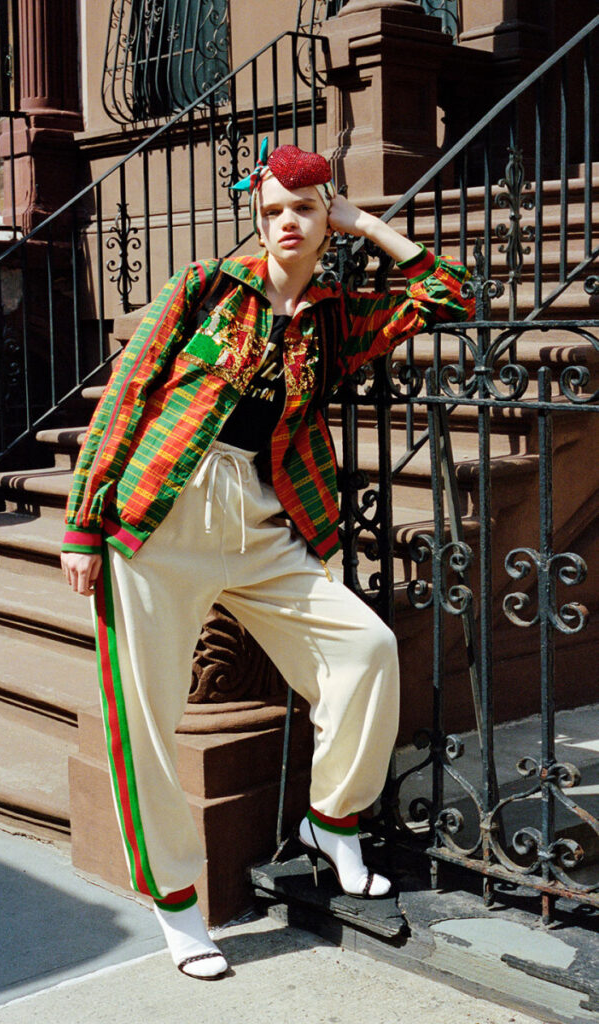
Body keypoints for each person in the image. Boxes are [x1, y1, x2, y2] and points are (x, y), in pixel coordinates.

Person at [60, 140, 474, 979]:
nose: (287, 223)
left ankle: (333, 819)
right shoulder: (204, 288)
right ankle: (177, 902)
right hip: (160, 519)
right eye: (273, 210)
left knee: (365, 650)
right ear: (256, 218)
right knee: (145, 721)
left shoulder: (335, 315)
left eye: (305, 210)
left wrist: (369, 225)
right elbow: (126, 397)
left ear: (328, 219)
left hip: (262, 518)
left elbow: (448, 294)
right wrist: (82, 524)